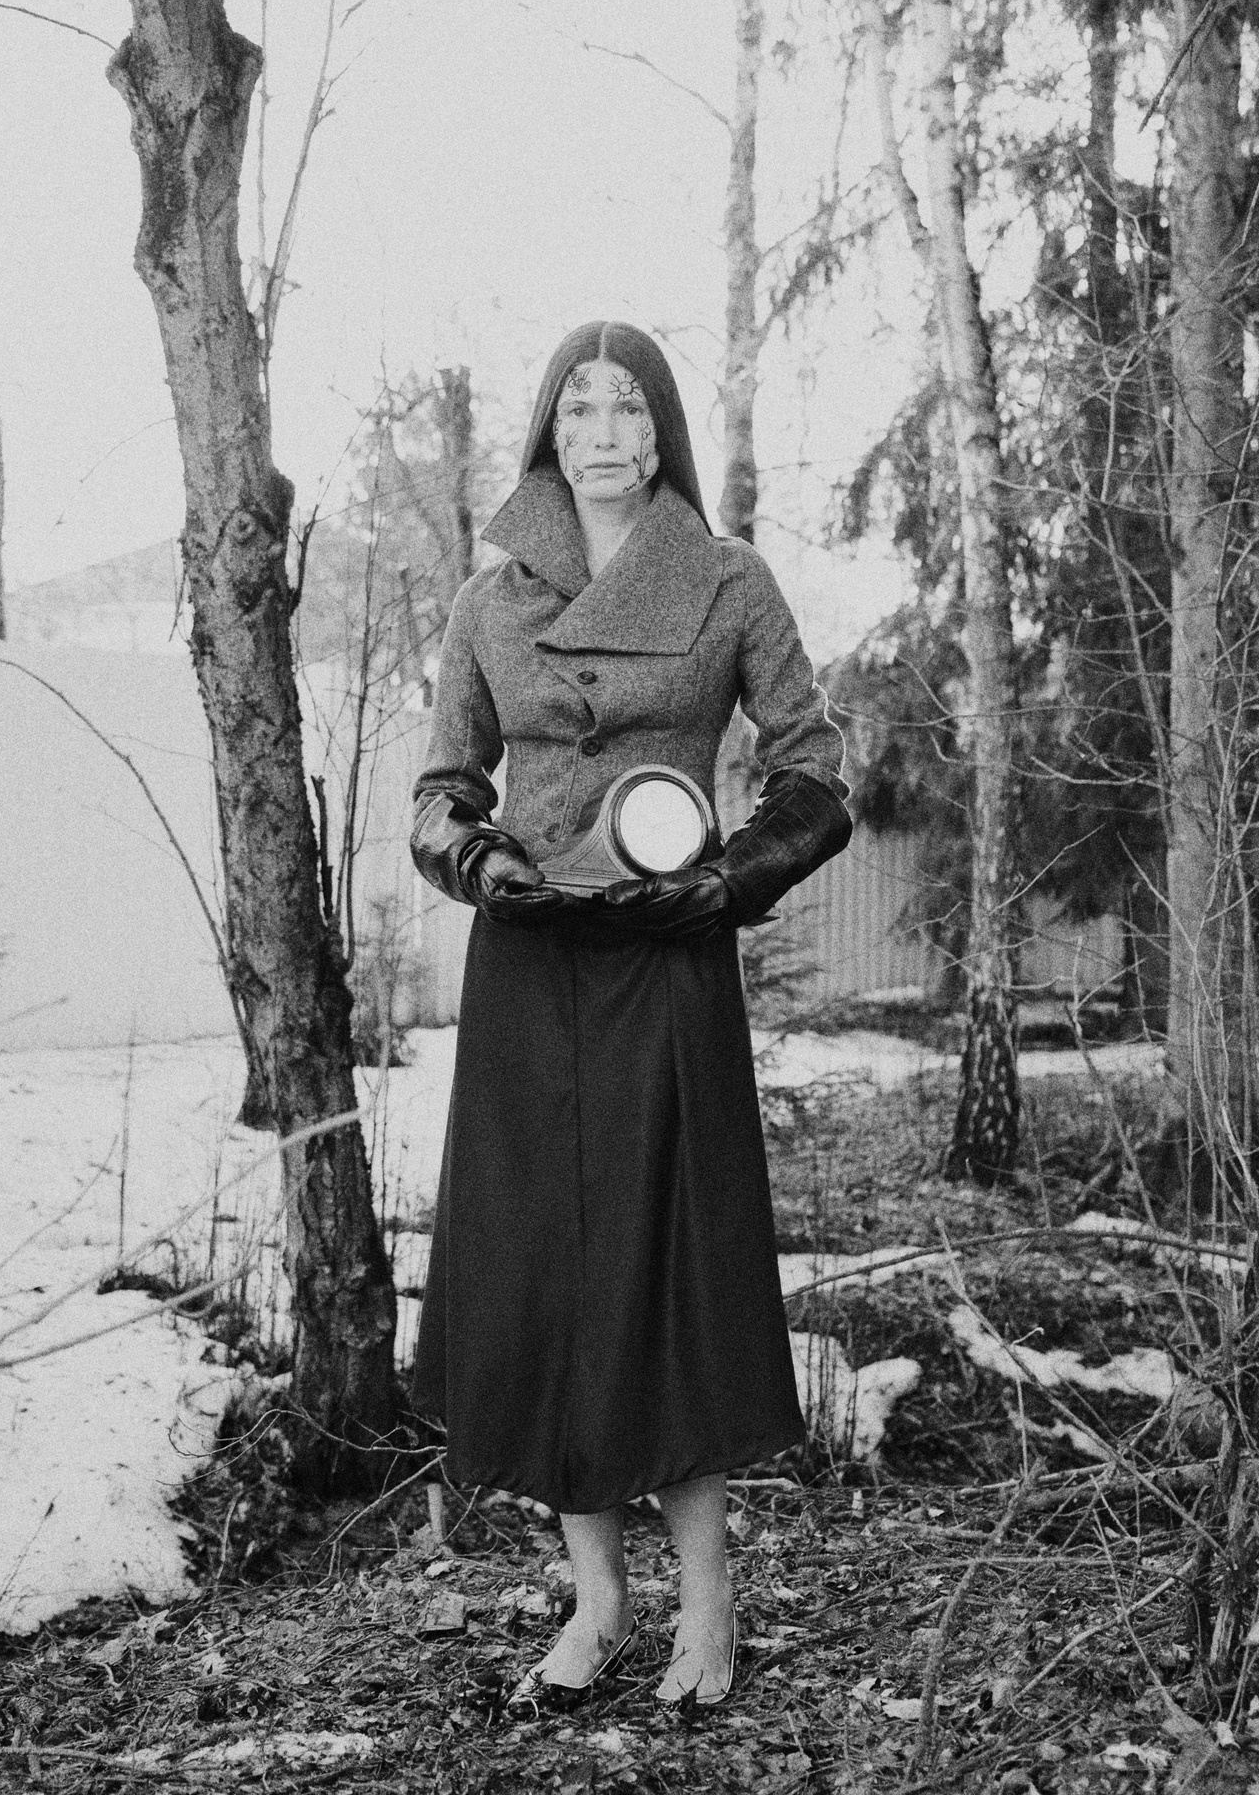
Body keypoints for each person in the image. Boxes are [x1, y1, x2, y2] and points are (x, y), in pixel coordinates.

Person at [409, 320, 852, 1707]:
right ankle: (597, 1602)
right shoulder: (489, 602)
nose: (602, 432)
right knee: (547, 1276)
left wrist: (730, 880)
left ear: (662, 433)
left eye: (627, 408)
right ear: (550, 433)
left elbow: (816, 772)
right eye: (578, 408)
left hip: (667, 957)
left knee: (671, 1277)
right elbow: (441, 788)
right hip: (532, 967)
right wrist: (476, 858)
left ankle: (706, 1612)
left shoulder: (727, 581)